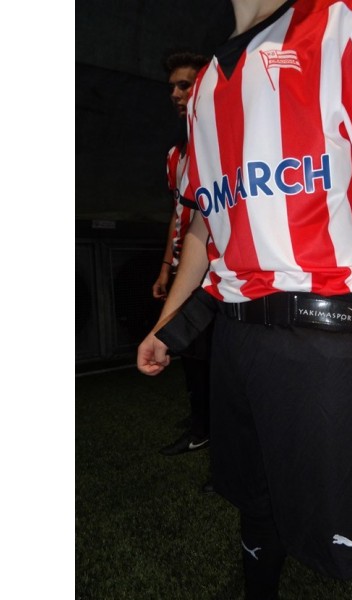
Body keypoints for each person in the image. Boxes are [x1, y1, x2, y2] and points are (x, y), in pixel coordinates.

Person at [139, 0, 352, 598]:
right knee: (255, 504)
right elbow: (204, 223)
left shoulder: (344, 20)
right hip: (235, 340)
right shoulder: (204, 88)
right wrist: (166, 322)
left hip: (326, 343)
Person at [150, 51, 212, 457]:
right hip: (187, 266)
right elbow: (179, 215)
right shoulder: (176, 156)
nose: (175, 93)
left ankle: (210, 427)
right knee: (190, 351)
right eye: (172, 86)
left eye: (184, 85)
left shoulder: (224, 142)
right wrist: (165, 268)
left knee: (212, 355)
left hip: (218, 272)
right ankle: (202, 421)